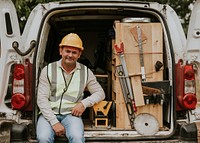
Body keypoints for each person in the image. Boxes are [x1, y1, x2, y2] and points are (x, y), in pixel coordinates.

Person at [36, 33, 105, 143]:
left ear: (79, 54)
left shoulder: (86, 72)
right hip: (48, 114)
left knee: (77, 138)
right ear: (61, 51)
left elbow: (100, 93)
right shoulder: (48, 70)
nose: (70, 55)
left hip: (71, 115)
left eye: (74, 52)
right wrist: (54, 122)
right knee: (43, 138)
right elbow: (41, 99)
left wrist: (84, 104)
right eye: (67, 51)